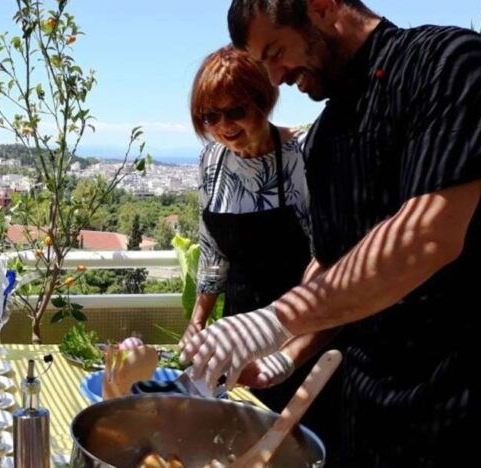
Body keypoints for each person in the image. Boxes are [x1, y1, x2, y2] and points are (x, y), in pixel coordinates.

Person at [181, 0, 481, 465]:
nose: (273, 79)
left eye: (275, 52)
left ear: (323, 7)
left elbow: (426, 235)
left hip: (459, 405)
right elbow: (330, 265)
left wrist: (273, 321)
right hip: (362, 406)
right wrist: (284, 358)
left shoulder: (449, 63)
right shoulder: (329, 135)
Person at [182, 45, 342, 447]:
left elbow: (332, 258)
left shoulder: (303, 153)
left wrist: (289, 348)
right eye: (210, 116)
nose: (223, 125)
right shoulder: (212, 161)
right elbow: (212, 248)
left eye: (235, 110)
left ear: (263, 100)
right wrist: (198, 319)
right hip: (241, 331)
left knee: (301, 444)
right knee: (242, 443)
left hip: (308, 328)